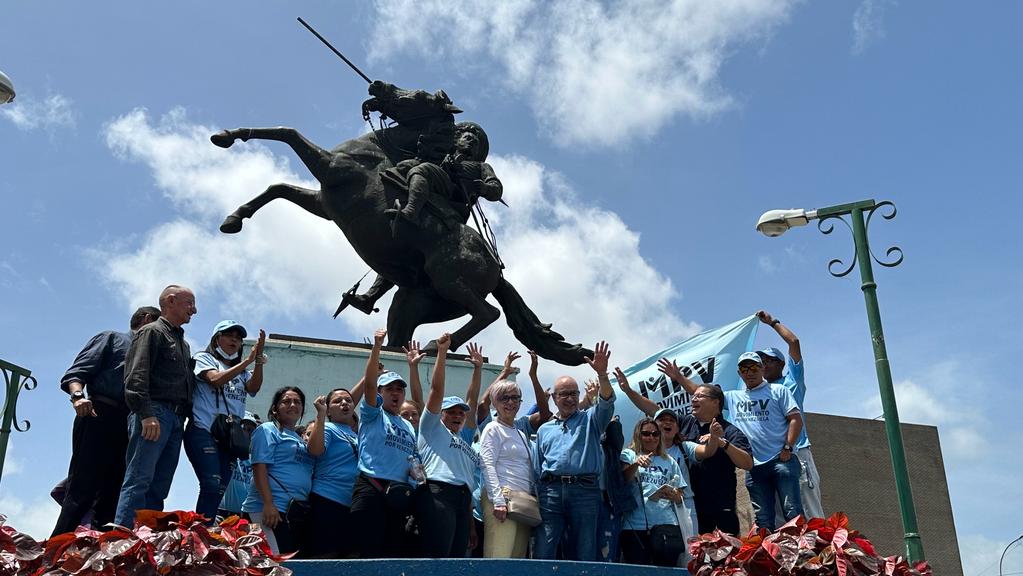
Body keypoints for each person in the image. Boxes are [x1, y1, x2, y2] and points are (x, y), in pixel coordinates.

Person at [661, 352, 803, 531]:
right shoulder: (734, 397)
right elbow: (704, 395)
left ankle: (802, 553)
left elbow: (795, 418)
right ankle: (768, 556)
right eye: (744, 369)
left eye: (753, 367)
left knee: (793, 512)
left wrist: (788, 446)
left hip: (781, 459)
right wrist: (679, 378)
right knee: (763, 519)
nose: (749, 372)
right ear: (739, 373)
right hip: (754, 466)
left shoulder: (778, 390)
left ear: (762, 369)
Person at [51, 306, 160, 536]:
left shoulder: (152, 356)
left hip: (130, 422)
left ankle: (98, 556)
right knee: (83, 487)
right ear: (148, 319)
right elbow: (76, 373)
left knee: (115, 491)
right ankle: (55, 551)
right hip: (98, 413)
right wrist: (78, 397)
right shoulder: (112, 338)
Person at [114, 285, 197, 528]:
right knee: (139, 478)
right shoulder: (151, 332)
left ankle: (145, 538)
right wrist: (146, 414)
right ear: (170, 301)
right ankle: (122, 538)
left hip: (176, 419)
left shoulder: (183, 343)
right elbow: (136, 376)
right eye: (189, 303)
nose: (195, 309)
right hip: (155, 413)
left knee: (160, 484)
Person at [533, 341, 616, 561]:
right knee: (544, 549)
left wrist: (602, 375)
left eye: (574, 393)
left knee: (585, 551)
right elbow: (536, 468)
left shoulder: (591, 419)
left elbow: (607, 402)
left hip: (585, 492)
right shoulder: (544, 430)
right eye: (564, 394)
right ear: (554, 398)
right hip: (550, 493)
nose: (570, 398)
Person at [184, 320, 266, 524]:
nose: (234, 340)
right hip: (203, 430)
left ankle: (207, 530)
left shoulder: (242, 370)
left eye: (238, 338)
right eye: (229, 335)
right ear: (216, 338)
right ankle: (199, 531)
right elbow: (215, 379)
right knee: (211, 483)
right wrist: (247, 361)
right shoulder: (205, 358)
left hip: (228, 437)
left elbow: (254, 388)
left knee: (220, 488)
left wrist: (257, 362)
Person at [350, 329, 419, 558]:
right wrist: (377, 346)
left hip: (398, 495)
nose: (396, 393)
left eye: (400, 389)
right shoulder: (373, 414)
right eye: (389, 389)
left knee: (392, 555)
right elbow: (369, 384)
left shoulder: (408, 425)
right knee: (365, 554)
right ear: (380, 393)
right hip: (371, 489)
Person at [414, 334, 484, 557]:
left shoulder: (464, 437)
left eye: (460, 413)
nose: (457, 416)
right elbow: (436, 391)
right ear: (440, 414)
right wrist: (442, 353)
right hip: (439, 493)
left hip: (464, 500)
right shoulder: (431, 428)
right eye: (451, 412)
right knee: (437, 558)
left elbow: (472, 401)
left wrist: (478, 369)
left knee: (456, 560)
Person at [756, 310, 824, 520]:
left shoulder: (791, 382)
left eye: (769, 360)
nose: (764, 365)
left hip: (796, 452)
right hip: (772, 458)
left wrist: (772, 323)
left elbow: (794, 342)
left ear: (781, 364)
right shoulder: (759, 392)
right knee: (780, 515)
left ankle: (822, 551)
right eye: (761, 361)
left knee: (809, 507)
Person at [242, 386, 314, 555]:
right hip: (267, 510)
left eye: (297, 402)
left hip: (292, 512)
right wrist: (268, 504)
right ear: (275, 409)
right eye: (286, 401)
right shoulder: (267, 430)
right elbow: (259, 467)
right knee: (276, 564)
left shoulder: (299, 438)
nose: (292, 405)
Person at [478, 378, 535, 558]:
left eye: (515, 398)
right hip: (503, 498)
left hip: (522, 502)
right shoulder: (492, 428)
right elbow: (487, 463)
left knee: (517, 560)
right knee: (499, 558)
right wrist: (499, 501)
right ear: (494, 402)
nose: (510, 402)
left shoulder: (520, 433)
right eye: (504, 398)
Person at [619, 418, 687, 567]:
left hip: (666, 524)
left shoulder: (669, 460)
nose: (651, 437)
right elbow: (622, 479)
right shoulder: (629, 454)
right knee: (638, 570)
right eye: (646, 434)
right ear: (638, 435)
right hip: (635, 525)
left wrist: (674, 495)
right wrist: (636, 463)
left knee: (666, 570)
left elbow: (681, 493)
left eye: (655, 434)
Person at [306, 388, 360, 558]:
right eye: (337, 401)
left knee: (350, 558)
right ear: (328, 410)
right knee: (327, 556)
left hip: (351, 504)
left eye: (348, 400)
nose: (344, 403)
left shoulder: (355, 435)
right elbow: (315, 450)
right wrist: (320, 417)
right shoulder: (328, 428)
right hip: (327, 501)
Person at [218, 411, 261, 520]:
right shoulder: (226, 451)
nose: (246, 432)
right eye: (242, 428)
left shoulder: (259, 459)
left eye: (250, 429)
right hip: (222, 514)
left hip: (245, 517)